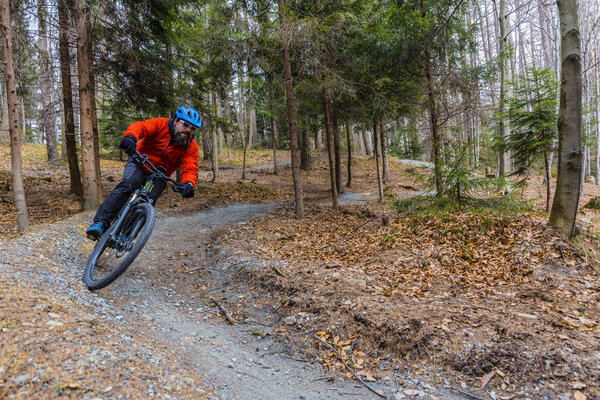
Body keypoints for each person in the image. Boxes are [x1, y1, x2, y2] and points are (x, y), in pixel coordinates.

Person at [86, 106, 202, 240]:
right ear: (175, 121)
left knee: (149, 201)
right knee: (129, 185)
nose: (188, 130)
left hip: (160, 175)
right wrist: (130, 138)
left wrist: (188, 184)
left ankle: (126, 235)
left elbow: (191, 166)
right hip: (139, 161)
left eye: (192, 128)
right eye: (185, 124)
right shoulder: (161, 124)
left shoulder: (191, 146)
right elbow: (140, 127)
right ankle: (100, 223)